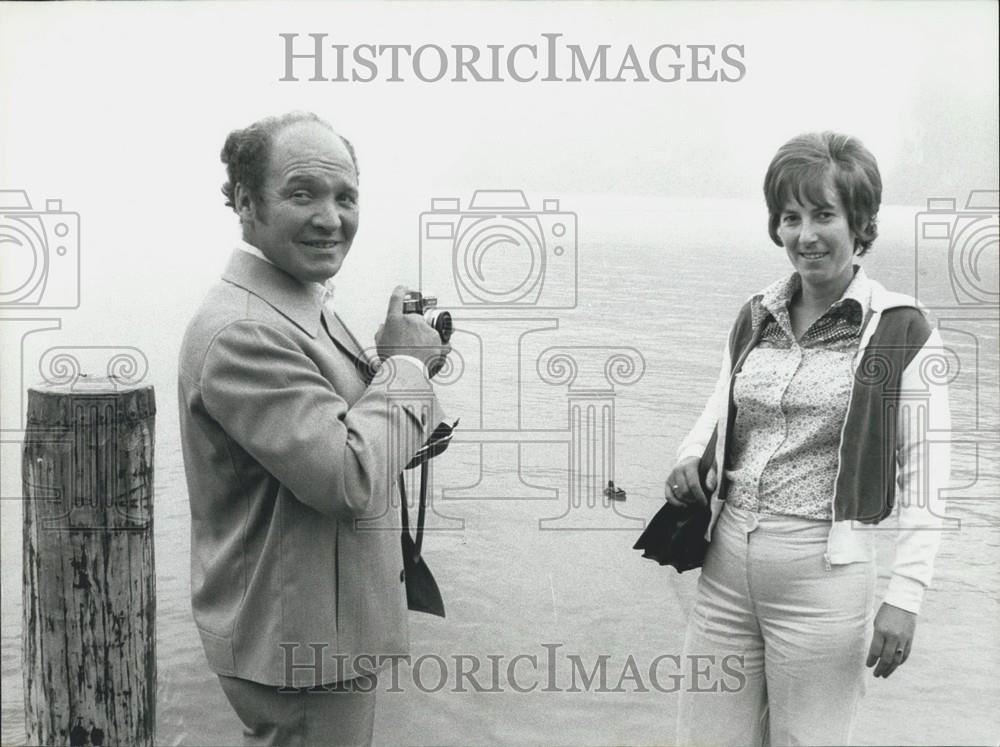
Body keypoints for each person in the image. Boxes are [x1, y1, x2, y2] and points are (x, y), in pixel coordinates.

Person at [665, 131, 950, 746]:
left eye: (824, 215)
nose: (805, 235)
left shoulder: (902, 329)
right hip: (725, 559)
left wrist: (907, 594)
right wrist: (689, 456)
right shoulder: (755, 315)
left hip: (823, 574)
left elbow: (926, 474)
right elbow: (719, 407)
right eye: (790, 217)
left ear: (861, 223)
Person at [178, 111, 450, 746]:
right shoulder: (245, 331)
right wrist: (407, 367)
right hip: (299, 647)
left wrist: (405, 366)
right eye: (303, 193)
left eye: (345, 196)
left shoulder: (300, 304)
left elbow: (349, 438)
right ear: (246, 203)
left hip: (317, 628)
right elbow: (349, 477)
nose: (330, 217)